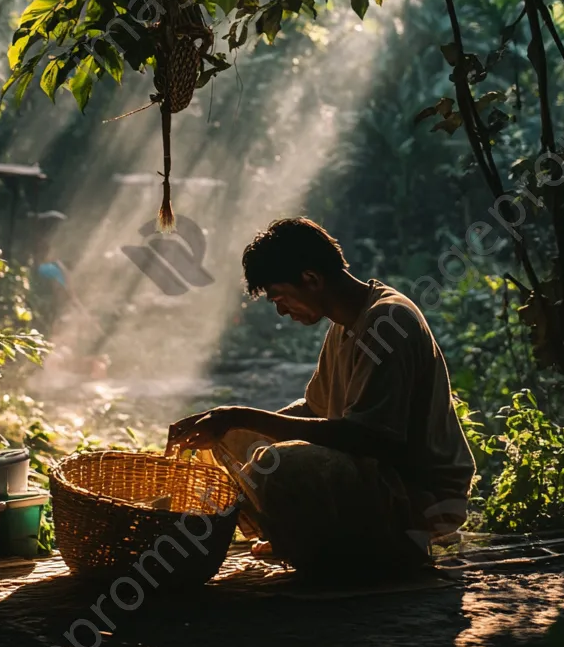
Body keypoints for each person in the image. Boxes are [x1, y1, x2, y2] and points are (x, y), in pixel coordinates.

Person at [166, 217, 475, 581]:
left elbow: (368, 438)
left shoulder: (388, 321)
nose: (281, 310)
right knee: (231, 436)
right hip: (372, 476)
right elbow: (315, 409)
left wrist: (241, 414)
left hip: (417, 493)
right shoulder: (344, 323)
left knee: (279, 463)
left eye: (281, 297)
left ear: (311, 279)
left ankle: (379, 545)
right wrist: (232, 422)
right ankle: (299, 535)